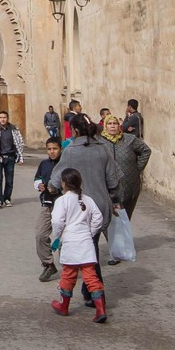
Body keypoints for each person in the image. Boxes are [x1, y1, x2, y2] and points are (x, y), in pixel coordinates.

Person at [48, 113, 121, 307]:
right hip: (100, 206)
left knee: (88, 253)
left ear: (76, 130)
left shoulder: (71, 150)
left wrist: (50, 188)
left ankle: (93, 294)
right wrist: (114, 199)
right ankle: (90, 293)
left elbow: (56, 179)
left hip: (78, 207)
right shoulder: (103, 149)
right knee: (91, 247)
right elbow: (114, 180)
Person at [50, 167, 107, 323]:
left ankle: (64, 306)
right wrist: (90, 232)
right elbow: (98, 218)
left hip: (70, 242)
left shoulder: (62, 201)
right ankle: (101, 309)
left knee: (68, 275)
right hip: (86, 242)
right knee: (91, 276)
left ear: (63, 183)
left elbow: (57, 221)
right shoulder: (87, 199)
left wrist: (57, 236)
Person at [101, 112, 152, 223]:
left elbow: (146, 151)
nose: (113, 126)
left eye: (115, 123)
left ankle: (123, 237)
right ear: (105, 126)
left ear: (119, 126)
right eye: (109, 123)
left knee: (125, 216)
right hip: (107, 186)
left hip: (129, 185)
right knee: (108, 217)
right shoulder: (99, 142)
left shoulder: (129, 139)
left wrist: (137, 168)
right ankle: (112, 238)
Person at [33, 137, 63, 281]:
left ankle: (69, 266)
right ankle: (48, 264)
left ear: (61, 149)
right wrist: (39, 185)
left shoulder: (66, 164)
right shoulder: (43, 164)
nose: (52, 152)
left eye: (55, 148)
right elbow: (37, 178)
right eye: (49, 149)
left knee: (65, 236)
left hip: (63, 205)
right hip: (47, 203)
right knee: (40, 234)